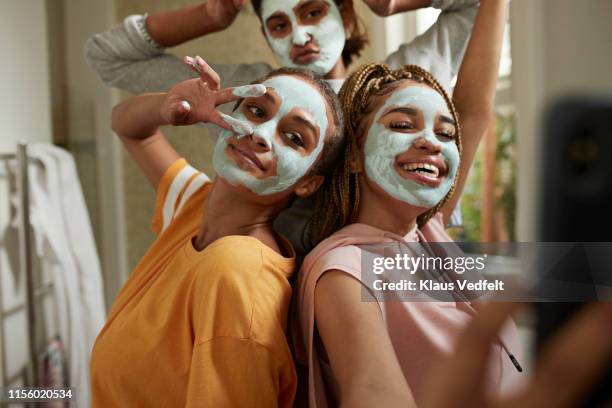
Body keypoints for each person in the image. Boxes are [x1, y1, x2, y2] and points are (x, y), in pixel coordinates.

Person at [85, 0, 478, 251]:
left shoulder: (396, 92)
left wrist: (390, 3)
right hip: (270, 297)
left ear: (343, 13)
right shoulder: (243, 95)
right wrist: (209, 15)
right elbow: (108, 58)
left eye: (312, 12)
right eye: (278, 24)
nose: (300, 35)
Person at [294, 0, 521, 406]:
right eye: (402, 125)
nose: (431, 142)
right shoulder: (344, 274)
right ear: (352, 156)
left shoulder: (426, 230)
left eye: (445, 134)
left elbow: (474, 110)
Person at [89, 60, 344, 407]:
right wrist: (170, 106)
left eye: (294, 137)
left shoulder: (236, 273)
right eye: (256, 110)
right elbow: (126, 124)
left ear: (308, 183)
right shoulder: (193, 206)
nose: (260, 134)